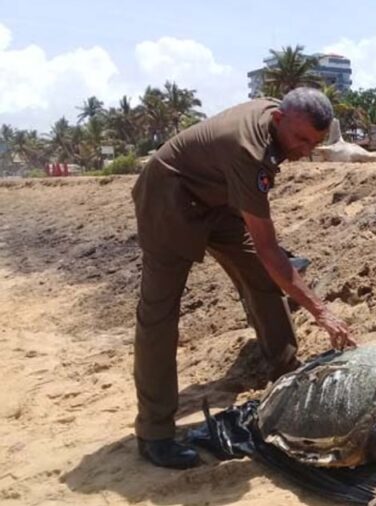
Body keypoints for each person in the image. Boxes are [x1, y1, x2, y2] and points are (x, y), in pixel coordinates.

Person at [130, 87, 357, 469]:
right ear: (279, 120)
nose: (304, 151)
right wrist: (321, 311)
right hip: (168, 196)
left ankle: (287, 374)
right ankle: (153, 433)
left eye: (314, 143)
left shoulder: (278, 122)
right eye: (301, 140)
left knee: (260, 278)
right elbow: (270, 251)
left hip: (216, 197)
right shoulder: (249, 151)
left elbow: (264, 256)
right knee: (159, 313)